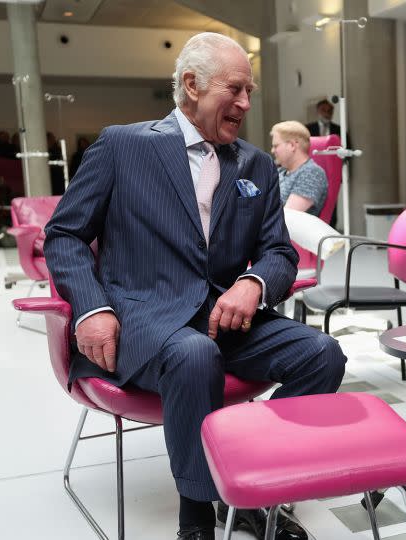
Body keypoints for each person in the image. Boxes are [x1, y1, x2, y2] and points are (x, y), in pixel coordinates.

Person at [44, 32, 346, 540]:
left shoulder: (253, 165)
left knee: (323, 355)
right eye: (236, 89)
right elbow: (65, 235)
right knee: (192, 355)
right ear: (191, 85)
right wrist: (92, 307)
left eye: (250, 91)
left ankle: (249, 479)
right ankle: (198, 518)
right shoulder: (123, 145)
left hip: (227, 317)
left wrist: (253, 283)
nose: (246, 104)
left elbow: (279, 253)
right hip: (142, 316)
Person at [270, 121, 328, 217]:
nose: (272, 150)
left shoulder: (312, 173)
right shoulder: (280, 172)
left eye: (276, 146)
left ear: (292, 145)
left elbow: (287, 217)